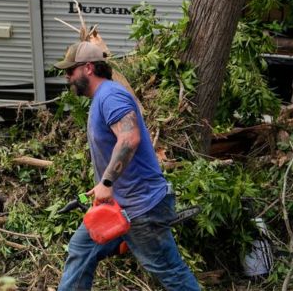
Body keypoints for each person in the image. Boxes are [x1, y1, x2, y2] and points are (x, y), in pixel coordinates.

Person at [55, 41, 200, 291]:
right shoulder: (102, 98)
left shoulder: (111, 96)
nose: (68, 77)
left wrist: (108, 182)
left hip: (141, 209)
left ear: (88, 68)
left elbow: (129, 138)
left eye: (71, 70)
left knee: (171, 273)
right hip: (118, 207)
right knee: (81, 249)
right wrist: (102, 184)